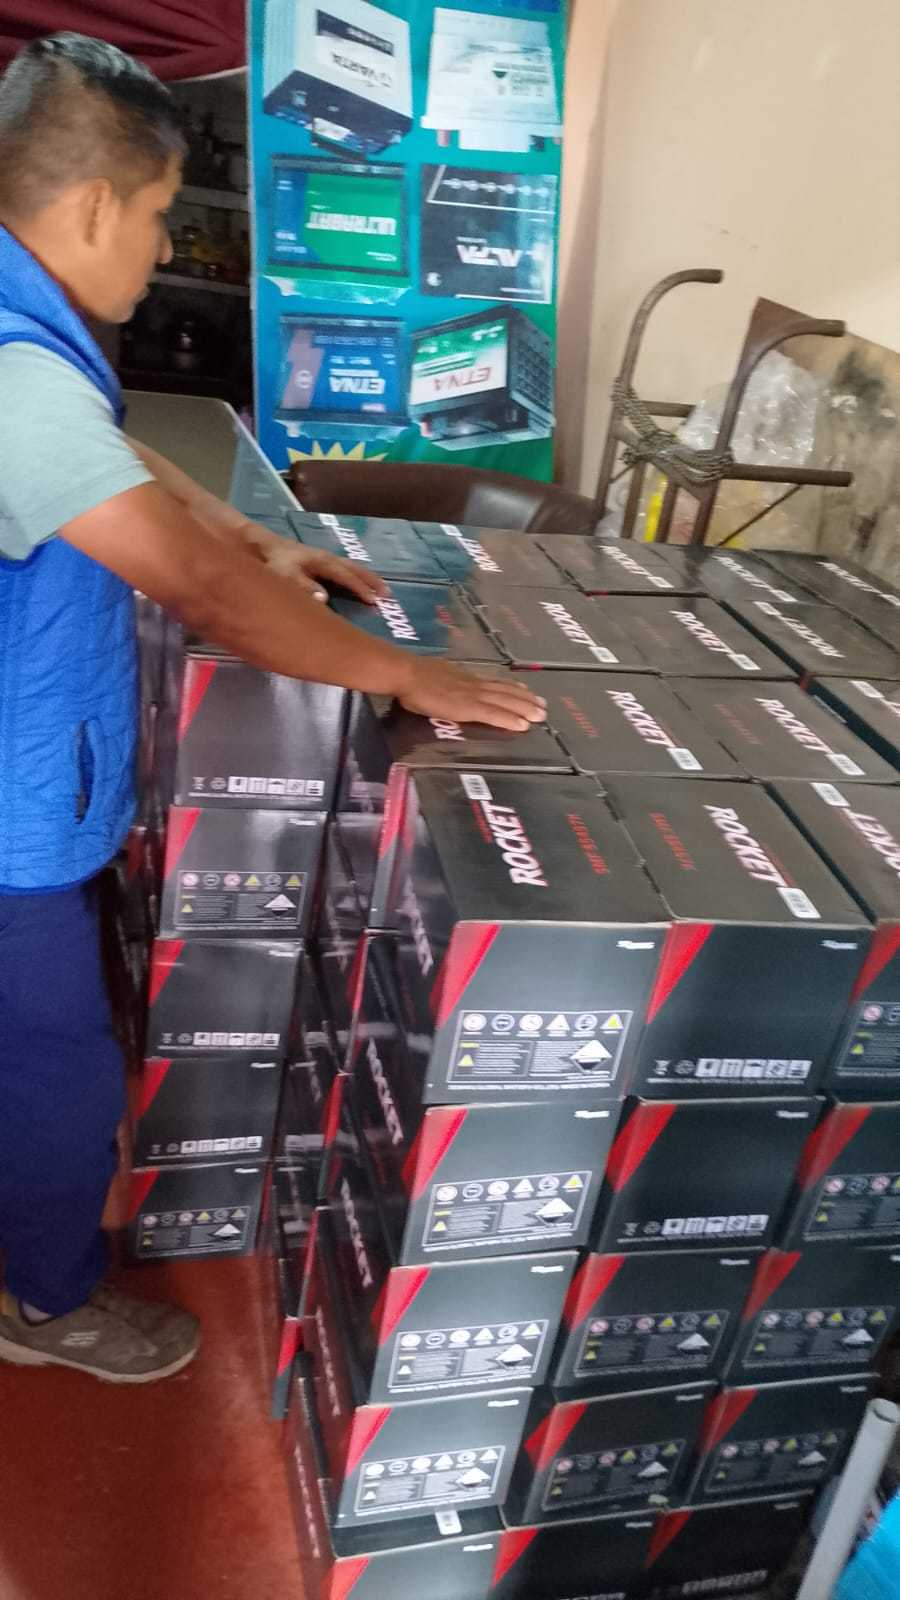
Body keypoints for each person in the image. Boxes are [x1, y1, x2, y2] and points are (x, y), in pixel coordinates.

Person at [0, 34, 545, 1386]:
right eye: (158, 215)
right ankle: (45, 1306)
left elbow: (105, 451)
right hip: (9, 817)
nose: (159, 249)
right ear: (92, 207)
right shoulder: (13, 370)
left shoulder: (25, 336)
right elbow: (204, 600)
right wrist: (404, 675)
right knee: (59, 1076)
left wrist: (255, 539)